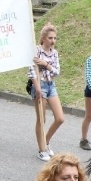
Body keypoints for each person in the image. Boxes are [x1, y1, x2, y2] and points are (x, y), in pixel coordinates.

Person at [29, 23, 64, 162]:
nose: (53, 41)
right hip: (40, 85)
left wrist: (45, 64)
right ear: (43, 38)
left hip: (51, 85)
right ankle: (42, 149)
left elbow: (57, 71)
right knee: (41, 119)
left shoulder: (54, 53)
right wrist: (37, 87)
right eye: (50, 38)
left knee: (60, 118)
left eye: (55, 38)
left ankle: (46, 141)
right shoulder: (36, 51)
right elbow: (31, 70)